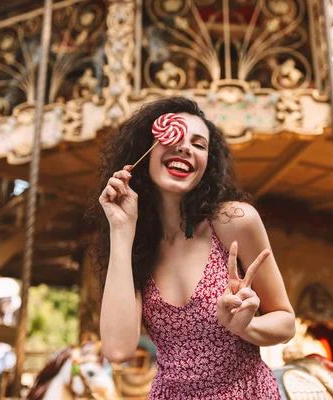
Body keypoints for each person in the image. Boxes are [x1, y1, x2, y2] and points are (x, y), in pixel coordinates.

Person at [91, 97, 296, 399]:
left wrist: (246, 326)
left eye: (199, 144)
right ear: (145, 151)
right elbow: (118, 349)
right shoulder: (137, 246)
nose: (186, 147)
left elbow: (285, 321)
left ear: (207, 165)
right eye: (174, 136)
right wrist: (122, 231)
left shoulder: (233, 222)